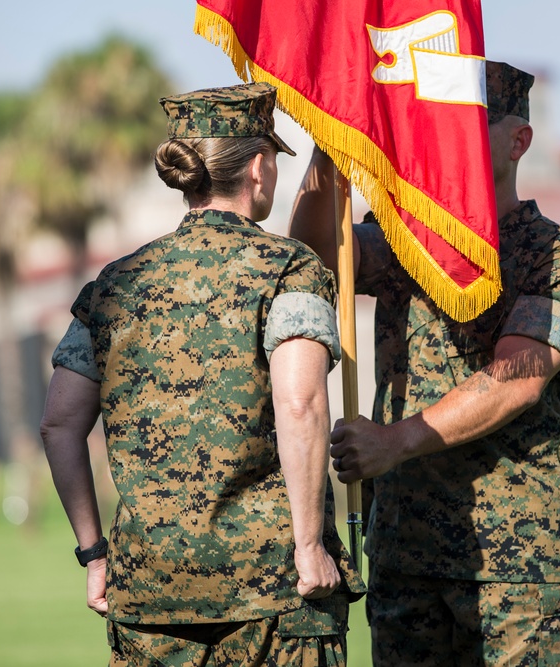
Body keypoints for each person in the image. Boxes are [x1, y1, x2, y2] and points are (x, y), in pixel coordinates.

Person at [288, 62, 560, 666]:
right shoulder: (408, 240)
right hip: (406, 555)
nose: (448, 136)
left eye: (469, 123)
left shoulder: (551, 252)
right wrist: (330, 142)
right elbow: (313, 251)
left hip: (514, 565)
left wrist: (395, 442)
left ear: (519, 141)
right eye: (441, 122)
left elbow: (520, 376)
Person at [40, 82, 364, 667]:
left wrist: (94, 555)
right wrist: (311, 544)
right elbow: (300, 405)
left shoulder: (114, 284)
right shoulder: (291, 269)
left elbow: (59, 424)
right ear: (260, 168)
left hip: (148, 597)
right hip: (274, 595)